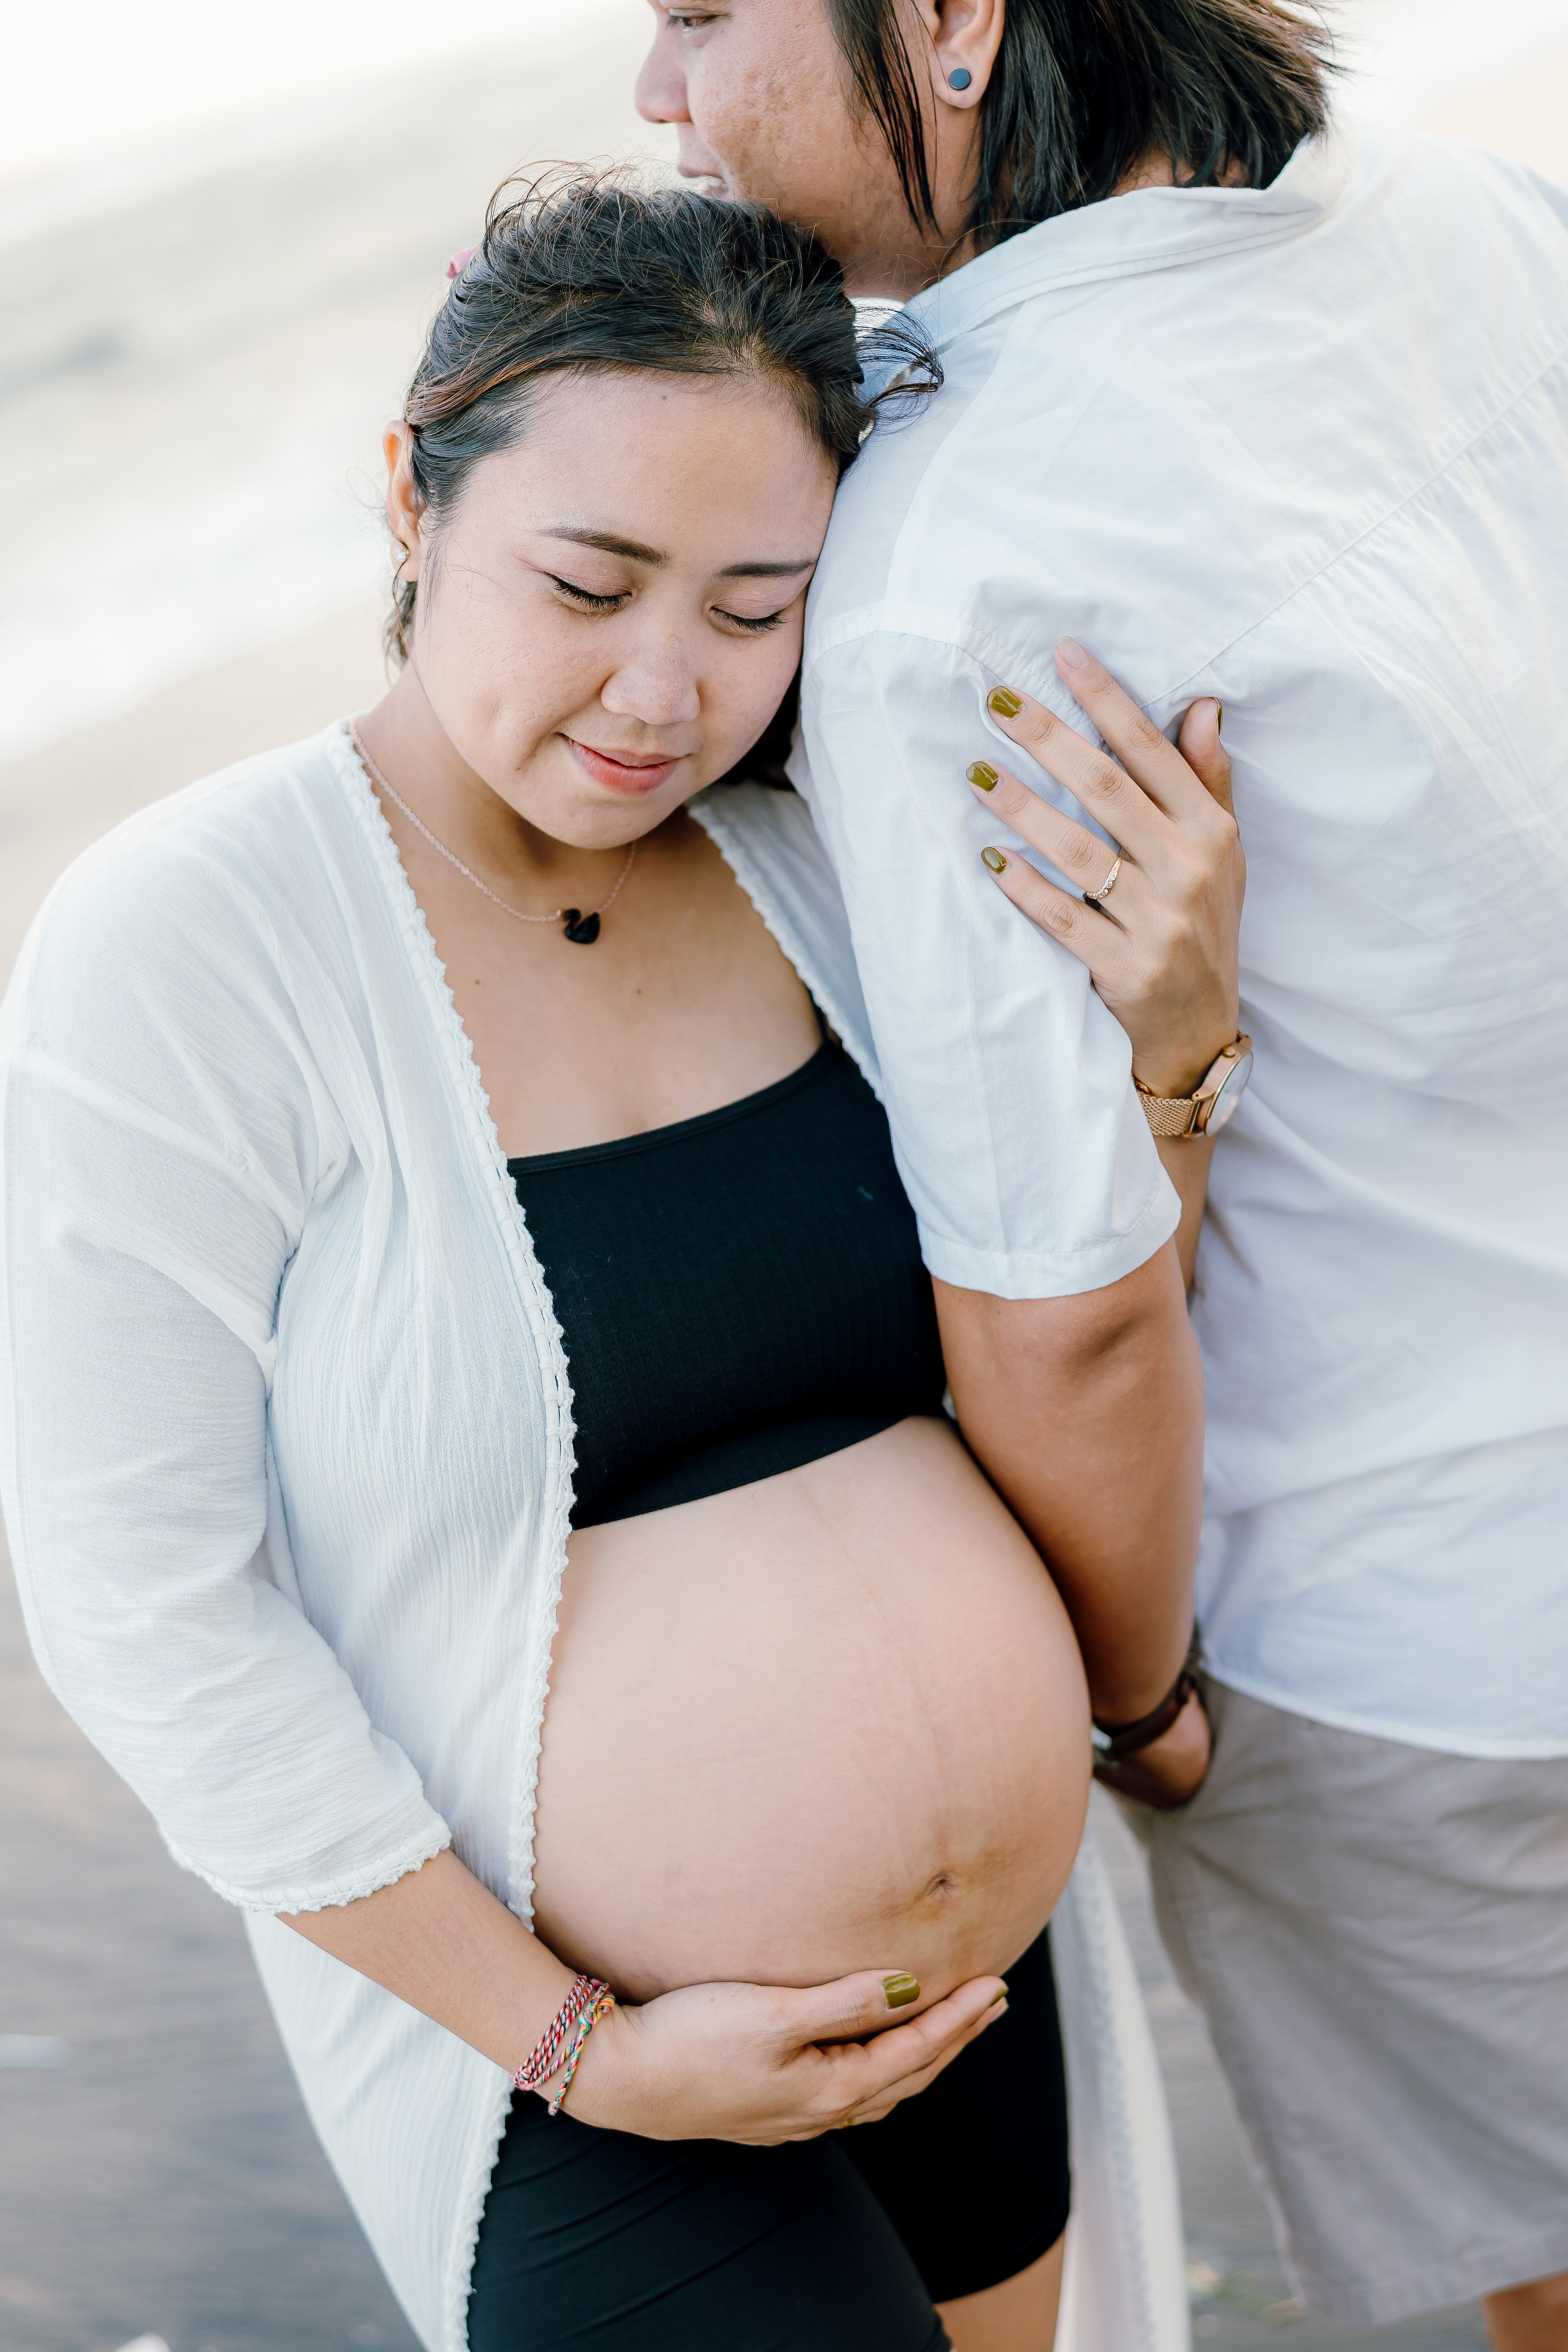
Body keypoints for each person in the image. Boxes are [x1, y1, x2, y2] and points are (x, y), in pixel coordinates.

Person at [0, 181, 1240, 2352]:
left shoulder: (822, 851)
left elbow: (1067, 1334)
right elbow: (139, 1602)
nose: (664, 691)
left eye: (759, 606)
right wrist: (578, 2043)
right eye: (589, 583)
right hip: (565, 2074)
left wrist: (1168, 1052)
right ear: (410, 492)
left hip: (973, 1998)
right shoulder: (189, 938)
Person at [634, 2, 1568, 2344]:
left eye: (694, 21)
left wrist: (1141, 1706)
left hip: (1412, 1623)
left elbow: (1062, 1305)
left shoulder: (970, 560)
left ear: (947, 23)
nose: (661, 105)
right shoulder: (1457, 208)